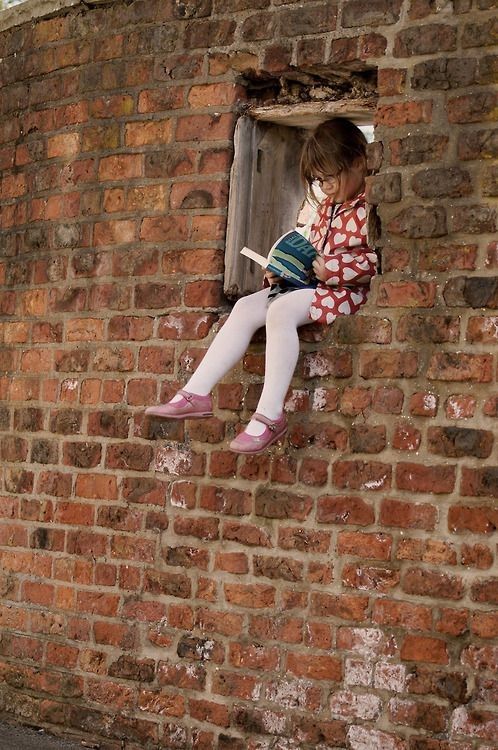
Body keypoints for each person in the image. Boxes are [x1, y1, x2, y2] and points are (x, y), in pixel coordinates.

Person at [145, 117, 378, 454]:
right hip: (315, 288)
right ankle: (195, 393)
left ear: (358, 162)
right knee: (245, 306)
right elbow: (314, 251)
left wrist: (335, 269)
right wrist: (285, 270)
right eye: (319, 180)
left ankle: (269, 415)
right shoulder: (327, 207)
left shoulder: (372, 203)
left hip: (346, 294)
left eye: (330, 177)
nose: (325, 187)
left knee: (280, 310)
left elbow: (381, 261)